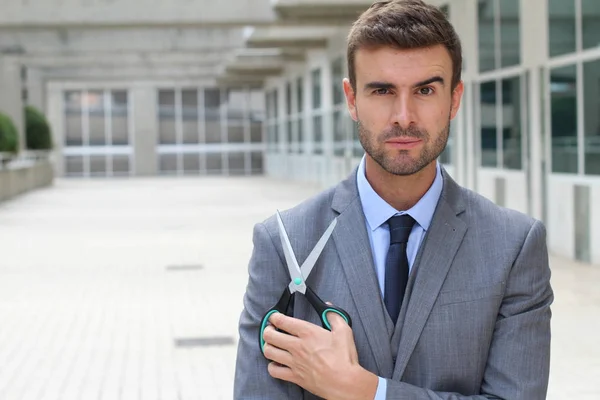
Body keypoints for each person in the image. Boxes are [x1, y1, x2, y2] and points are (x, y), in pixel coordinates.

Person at [233, 0, 554, 399]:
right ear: (351, 99)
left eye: (425, 90)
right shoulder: (283, 242)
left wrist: (367, 391)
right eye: (382, 90)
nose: (404, 116)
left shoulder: (514, 246)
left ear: (454, 99)